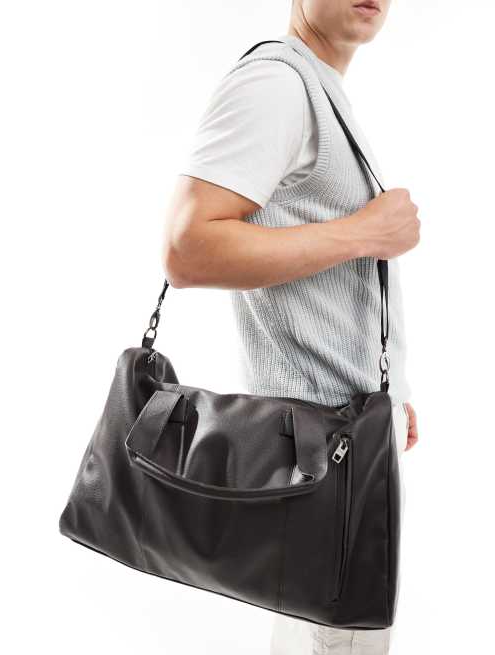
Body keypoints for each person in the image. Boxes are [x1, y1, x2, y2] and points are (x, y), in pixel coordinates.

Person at [162, 1, 420, 652]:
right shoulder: (277, 85)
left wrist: (390, 391)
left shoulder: (316, 89)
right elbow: (187, 249)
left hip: (345, 440)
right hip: (320, 454)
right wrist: (364, 233)